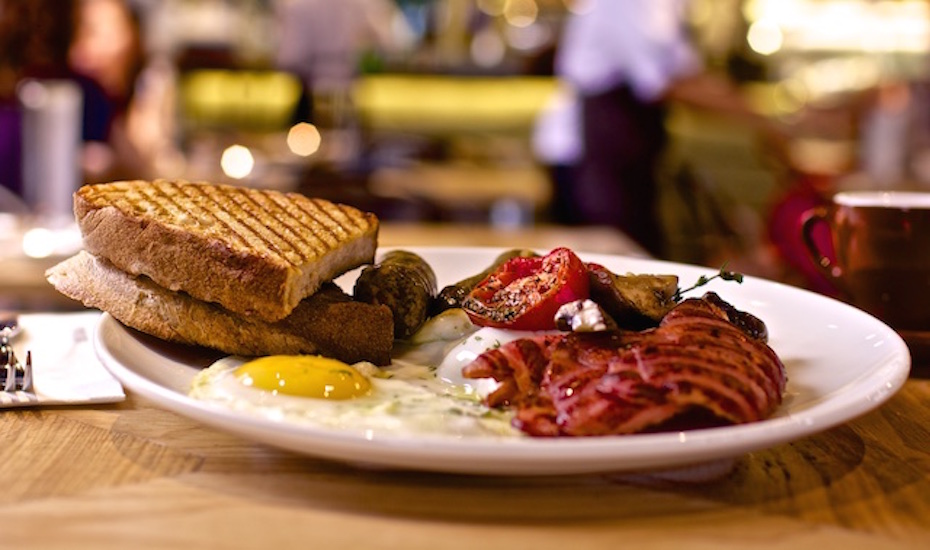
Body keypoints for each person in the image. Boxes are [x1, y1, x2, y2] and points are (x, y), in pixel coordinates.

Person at [541, 0, 785, 257]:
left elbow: (686, 73)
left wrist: (765, 119)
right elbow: (663, 81)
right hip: (591, 150)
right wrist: (770, 121)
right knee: (614, 258)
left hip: (625, 144)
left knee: (636, 253)